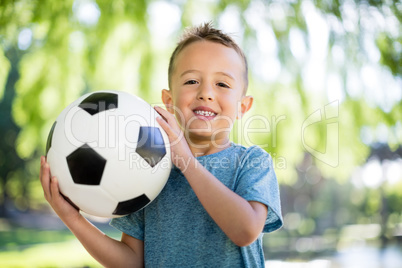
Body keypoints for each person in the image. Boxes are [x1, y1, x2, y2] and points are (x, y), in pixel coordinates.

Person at [40, 22, 283, 267]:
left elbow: (245, 231)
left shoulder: (252, 162)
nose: (206, 93)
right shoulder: (146, 166)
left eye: (222, 84)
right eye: (191, 81)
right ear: (169, 100)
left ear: (243, 106)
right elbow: (133, 262)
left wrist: (186, 161)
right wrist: (72, 218)